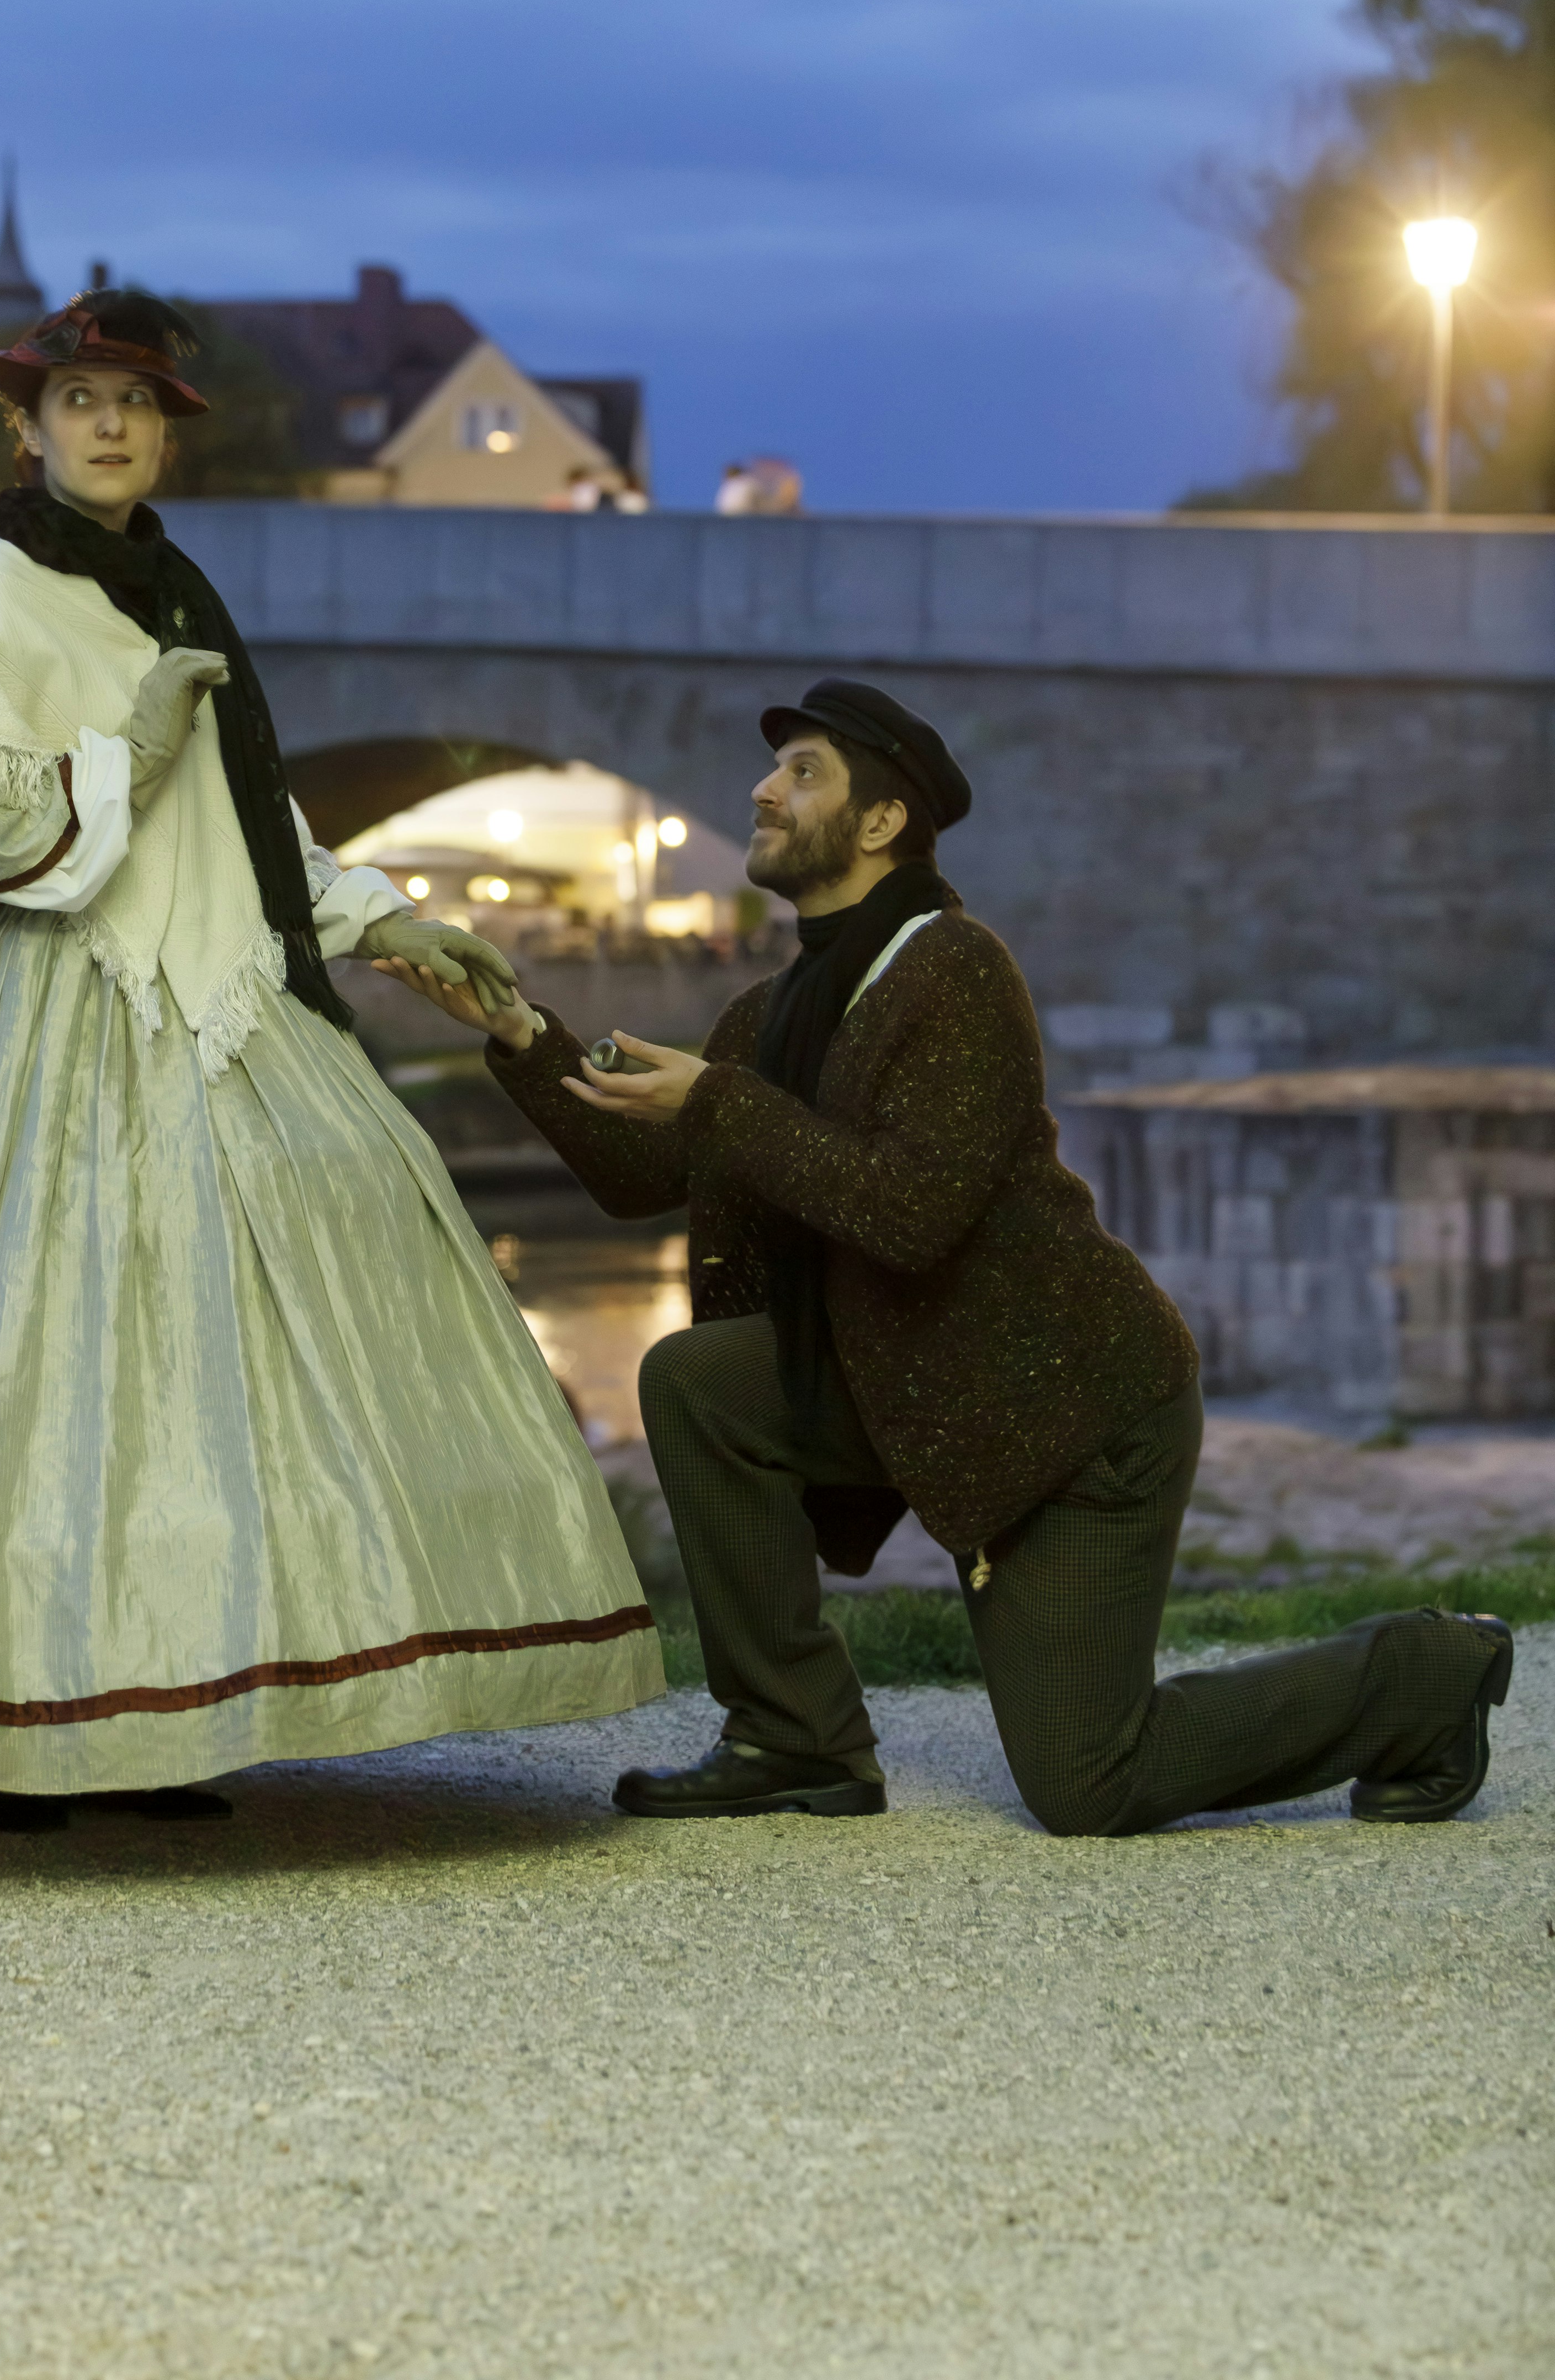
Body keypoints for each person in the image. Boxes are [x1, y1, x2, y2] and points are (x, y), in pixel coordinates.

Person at [0, 289, 658, 1829]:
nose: (110, 424)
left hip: (204, 1013)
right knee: (17, 1368)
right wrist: (126, 753)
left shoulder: (173, 597)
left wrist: (391, 921)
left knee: (199, 1378)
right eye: (82, 399)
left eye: (136, 405)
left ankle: (159, 1714)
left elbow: (251, 828)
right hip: (29, 1019)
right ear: (26, 429)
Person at [386, 678, 1512, 1834]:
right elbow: (643, 1176)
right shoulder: (774, 1011)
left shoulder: (957, 974)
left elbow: (909, 1214)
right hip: (909, 1387)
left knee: (1090, 1784)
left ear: (882, 822)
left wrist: (725, 1102)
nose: (764, 791)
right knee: (694, 1380)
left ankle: (1425, 1678)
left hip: (1067, 1416)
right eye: (774, 771)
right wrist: (520, 1032)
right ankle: (792, 1736)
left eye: (804, 772)